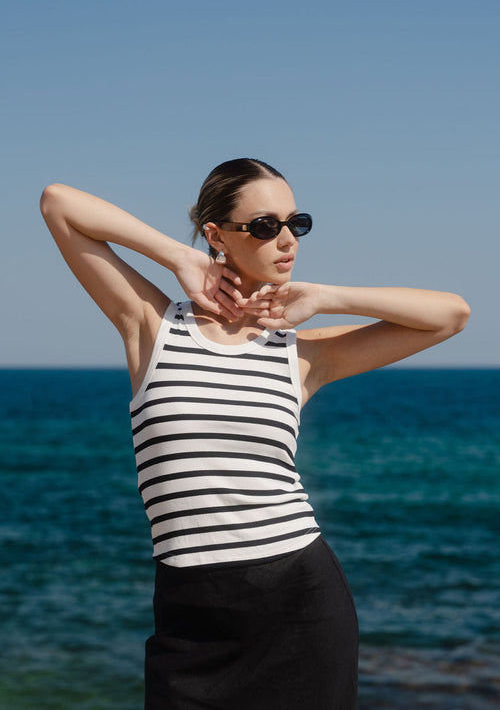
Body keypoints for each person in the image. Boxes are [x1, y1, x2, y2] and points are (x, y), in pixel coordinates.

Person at [40, 158, 470, 710]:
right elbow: (59, 203)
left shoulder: (303, 353)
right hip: (187, 614)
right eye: (266, 226)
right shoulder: (151, 325)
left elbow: (451, 315)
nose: (287, 240)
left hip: (298, 604)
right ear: (218, 234)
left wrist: (324, 298)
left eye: (298, 223)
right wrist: (181, 256)